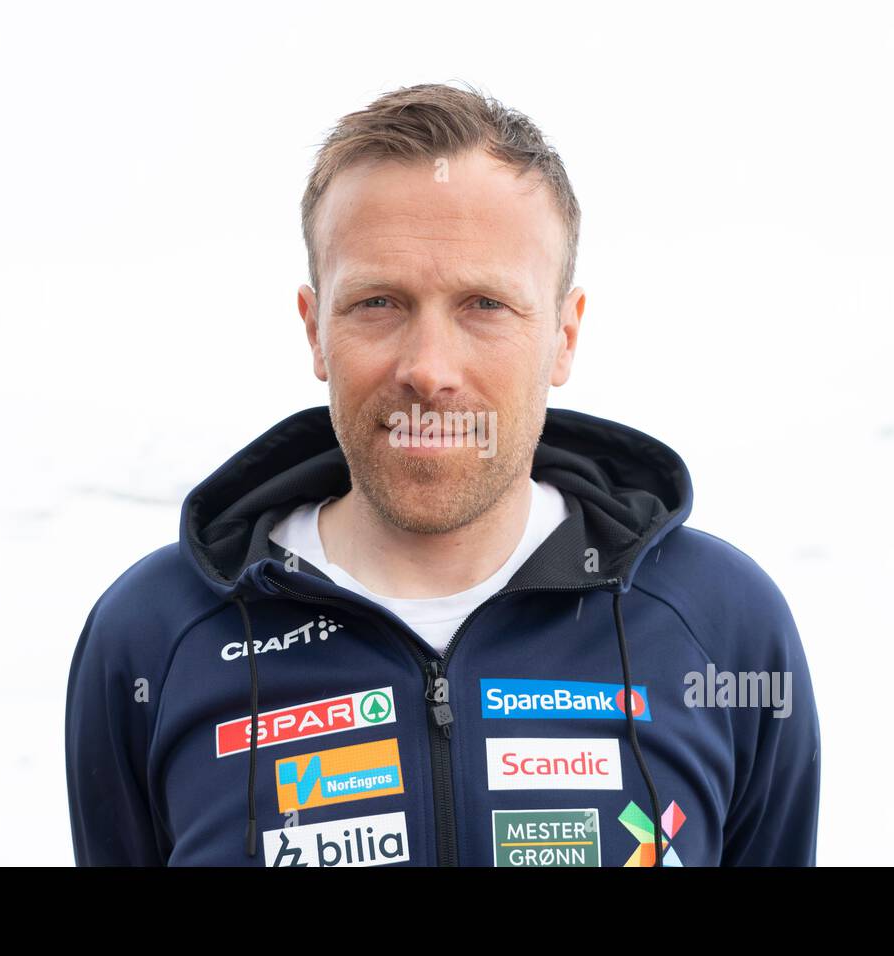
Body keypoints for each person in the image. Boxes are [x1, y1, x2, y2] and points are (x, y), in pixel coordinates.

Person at [65, 80, 821, 867]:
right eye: (380, 302)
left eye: (485, 304)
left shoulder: (722, 625)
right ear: (314, 328)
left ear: (564, 335)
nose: (429, 369)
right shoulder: (154, 637)